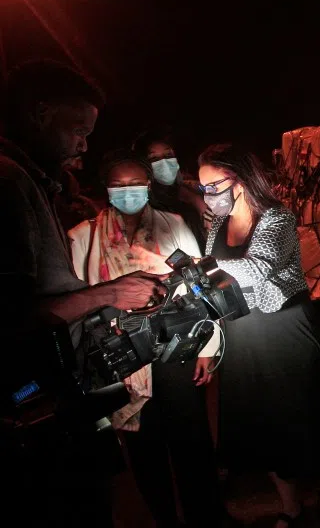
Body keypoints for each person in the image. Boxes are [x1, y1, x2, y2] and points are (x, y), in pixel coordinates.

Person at [0, 60, 163, 528]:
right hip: (36, 400)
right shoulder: (8, 182)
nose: (82, 144)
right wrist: (105, 293)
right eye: (77, 129)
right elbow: (13, 317)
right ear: (40, 112)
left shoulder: (33, 182)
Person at [69, 150, 225, 528]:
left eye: (135, 184)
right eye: (119, 186)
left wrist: (207, 346)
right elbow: (78, 306)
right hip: (124, 361)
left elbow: (199, 287)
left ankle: (206, 516)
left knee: (192, 441)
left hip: (176, 348)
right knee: (144, 449)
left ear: (149, 186)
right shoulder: (84, 236)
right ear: (106, 190)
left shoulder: (171, 224)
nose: (128, 192)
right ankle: (165, 518)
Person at [197, 144, 320, 528]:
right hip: (242, 330)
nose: (208, 196)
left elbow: (256, 269)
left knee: (300, 409)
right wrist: (210, 342)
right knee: (263, 417)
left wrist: (201, 266)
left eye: (213, 186)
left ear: (240, 182)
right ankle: (290, 505)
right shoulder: (215, 227)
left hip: (284, 326)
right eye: (203, 189)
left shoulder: (276, 218)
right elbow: (214, 286)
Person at [132, 126, 209, 244]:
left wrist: (196, 200)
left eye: (168, 155)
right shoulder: (144, 207)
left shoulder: (188, 192)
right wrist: (191, 261)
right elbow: (164, 253)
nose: (164, 162)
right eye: (154, 158)